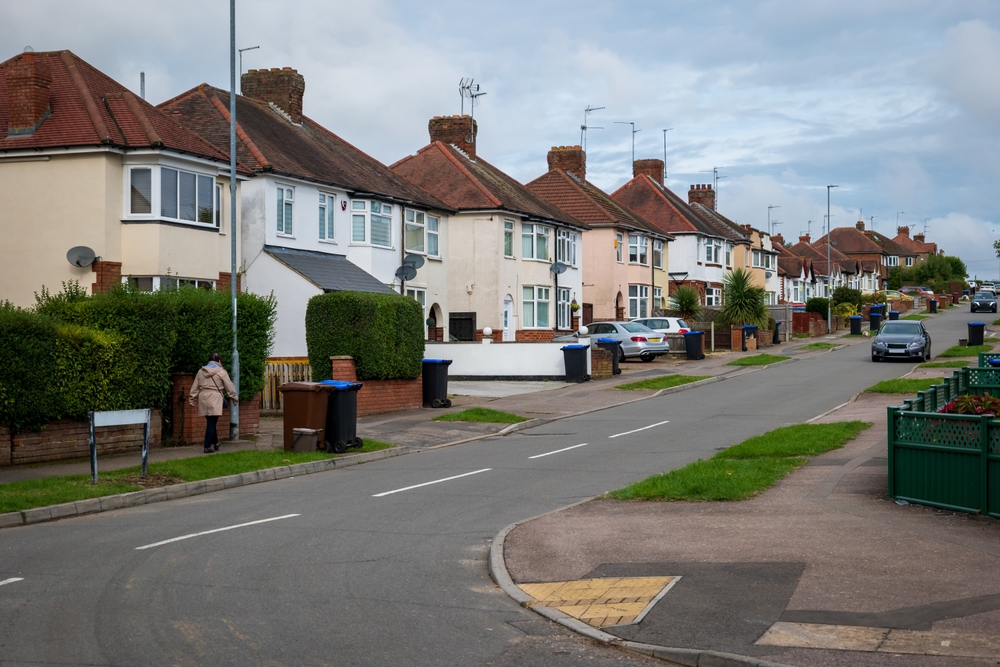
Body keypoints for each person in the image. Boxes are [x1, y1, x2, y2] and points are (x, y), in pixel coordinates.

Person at [189, 352, 238, 453]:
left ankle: (216, 443)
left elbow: (195, 387)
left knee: (211, 422)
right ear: (219, 361)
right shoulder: (221, 372)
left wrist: (192, 399)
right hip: (215, 398)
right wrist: (234, 398)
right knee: (211, 422)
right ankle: (207, 447)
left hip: (203, 398)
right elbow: (229, 387)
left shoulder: (200, 372)